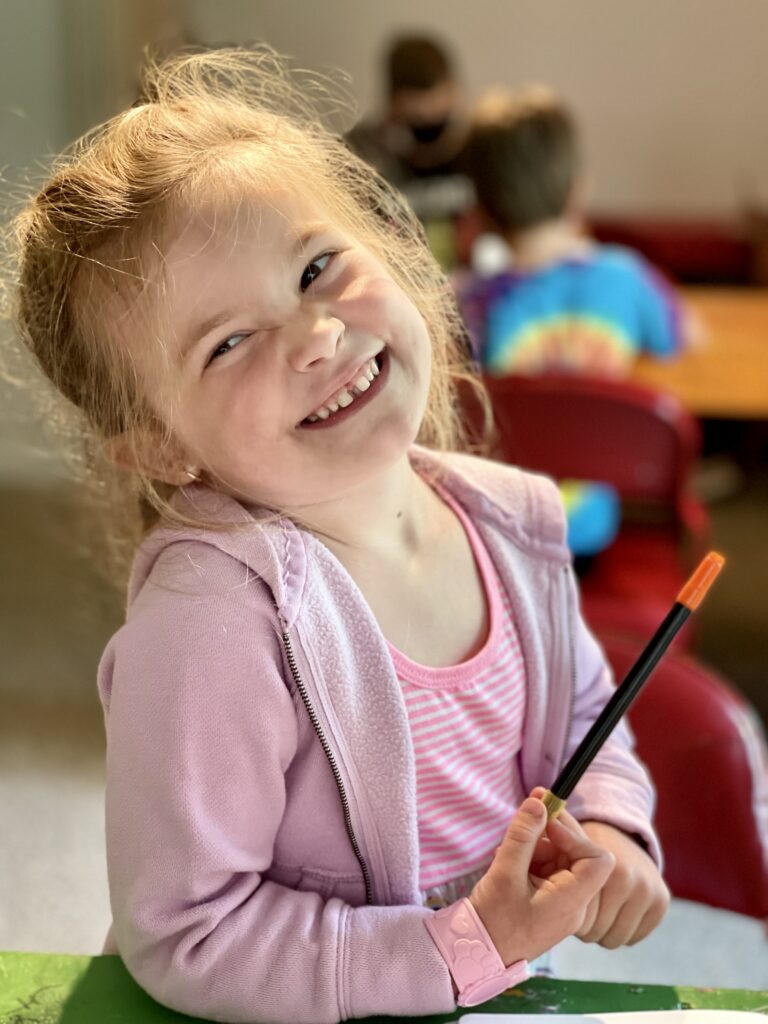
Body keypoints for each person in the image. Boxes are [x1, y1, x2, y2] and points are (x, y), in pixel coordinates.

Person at [9, 48, 669, 1024]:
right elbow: (188, 932)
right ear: (158, 446)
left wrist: (613, 825)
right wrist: (453, 951)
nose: (315, 334)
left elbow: (585, 718)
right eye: (227, 342)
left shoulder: (515, 523)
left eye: (318, 267)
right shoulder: (213, 626)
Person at [461, 86, 693, 376]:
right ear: (578, 191)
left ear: (481, 213)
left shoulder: (470, 307)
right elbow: (684, 338)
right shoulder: (630, 279)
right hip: (610, 423)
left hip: (513, 423)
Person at [347, 34, 475, 268]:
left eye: (439, 113)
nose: (430, 128)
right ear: (392, 104)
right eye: (417, 118)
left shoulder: (480, 144)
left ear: (454, 93)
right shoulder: (361, 154)